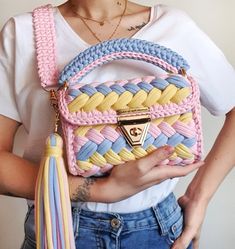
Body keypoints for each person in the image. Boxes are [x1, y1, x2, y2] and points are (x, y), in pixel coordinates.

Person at [0, 0, 234, 249]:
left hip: (158, 230)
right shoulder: (25, 32)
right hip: (59, 227)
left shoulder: (174, 26)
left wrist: (199, 197)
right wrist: (103, 189)